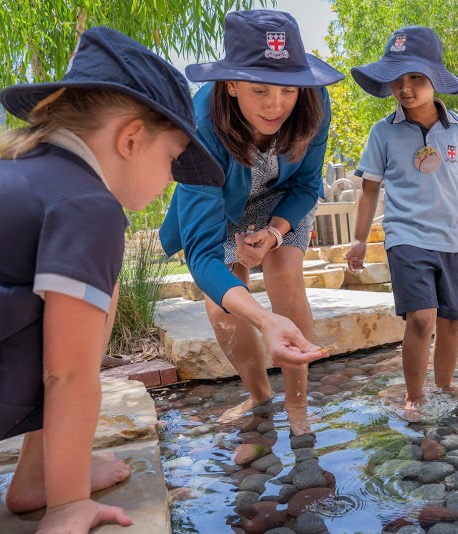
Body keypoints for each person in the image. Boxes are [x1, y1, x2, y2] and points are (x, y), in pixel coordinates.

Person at [0, 26, 286, 534]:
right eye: (172, 160)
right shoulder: (91, 208)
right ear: (129, 140)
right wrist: (70, 504)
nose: (172, 179)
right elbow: (67, 375)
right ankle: (52, 486)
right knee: (90, 311)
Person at [159, 10, 343, 434]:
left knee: (285, 277)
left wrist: (276, 234)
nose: (275, 105)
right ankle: (260, 398)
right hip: (221, 205)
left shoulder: (315, 102)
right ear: (231, 83)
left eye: (286, 89)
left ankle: (298, 403)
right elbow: (203, 255)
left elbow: (308, 183)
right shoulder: (200, 124)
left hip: (282, 200)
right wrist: (261, 320)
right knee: (224, 307)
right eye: (259, 89)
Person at [345, 26, 458, 413]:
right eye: (397, 78)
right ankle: (415, 397)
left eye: (415, 76)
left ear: (436, 79)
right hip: (405, 236)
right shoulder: (383, 133)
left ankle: (445, 386)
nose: (405, 87)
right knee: (422, 317)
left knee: (451, 319)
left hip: (450, 239)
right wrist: (360, 239)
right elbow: (369, 190)